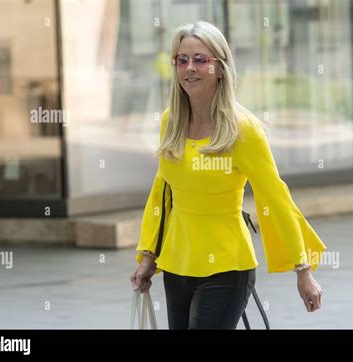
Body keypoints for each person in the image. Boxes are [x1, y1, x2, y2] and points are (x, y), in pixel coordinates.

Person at [130, 21, 326, 329]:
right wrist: (147, 255)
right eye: (182, 60)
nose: (189, 68)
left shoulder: (243, 129)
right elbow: (162, 190)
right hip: (177, 264)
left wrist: (303, 268)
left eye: (200, 59)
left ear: (220, 68)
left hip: (227, 267)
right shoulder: (171, 121)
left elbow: (275, 196)